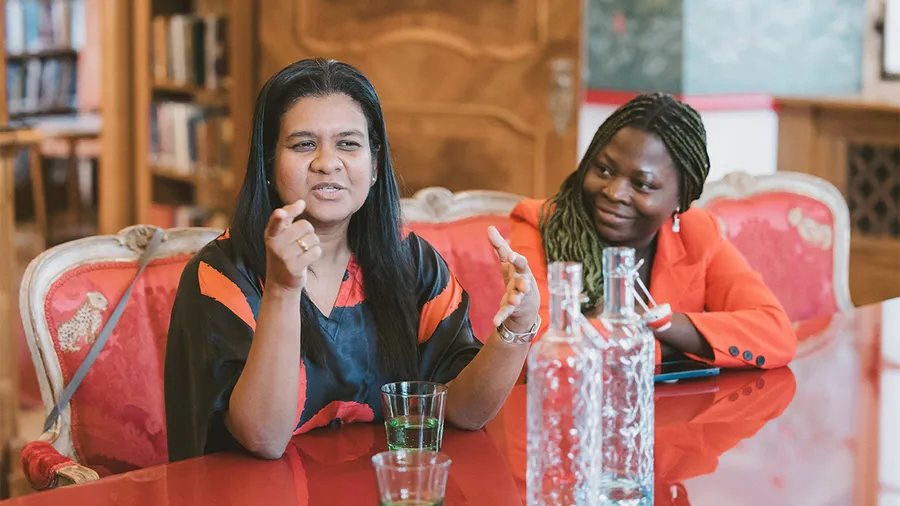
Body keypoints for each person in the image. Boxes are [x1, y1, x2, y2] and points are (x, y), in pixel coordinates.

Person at [164, 58, 540, 461]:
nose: (328, 162)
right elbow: (263, 438)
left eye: (348, 143)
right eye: (303, 144)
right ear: (269, 164)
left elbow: (463, 412)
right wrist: (282, 289)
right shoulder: (220, 275)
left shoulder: (411, 261)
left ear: (375, 165)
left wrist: (516, 329)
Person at [509, 92, 797, 369]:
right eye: (604, 170)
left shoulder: (696, 233)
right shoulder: (540, 225)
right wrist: (670, 341)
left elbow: (774, 333)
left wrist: (659, 324)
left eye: (642, 184)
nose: (614, 192)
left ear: (680, 200)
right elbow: (544, 352)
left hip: (675, 411)